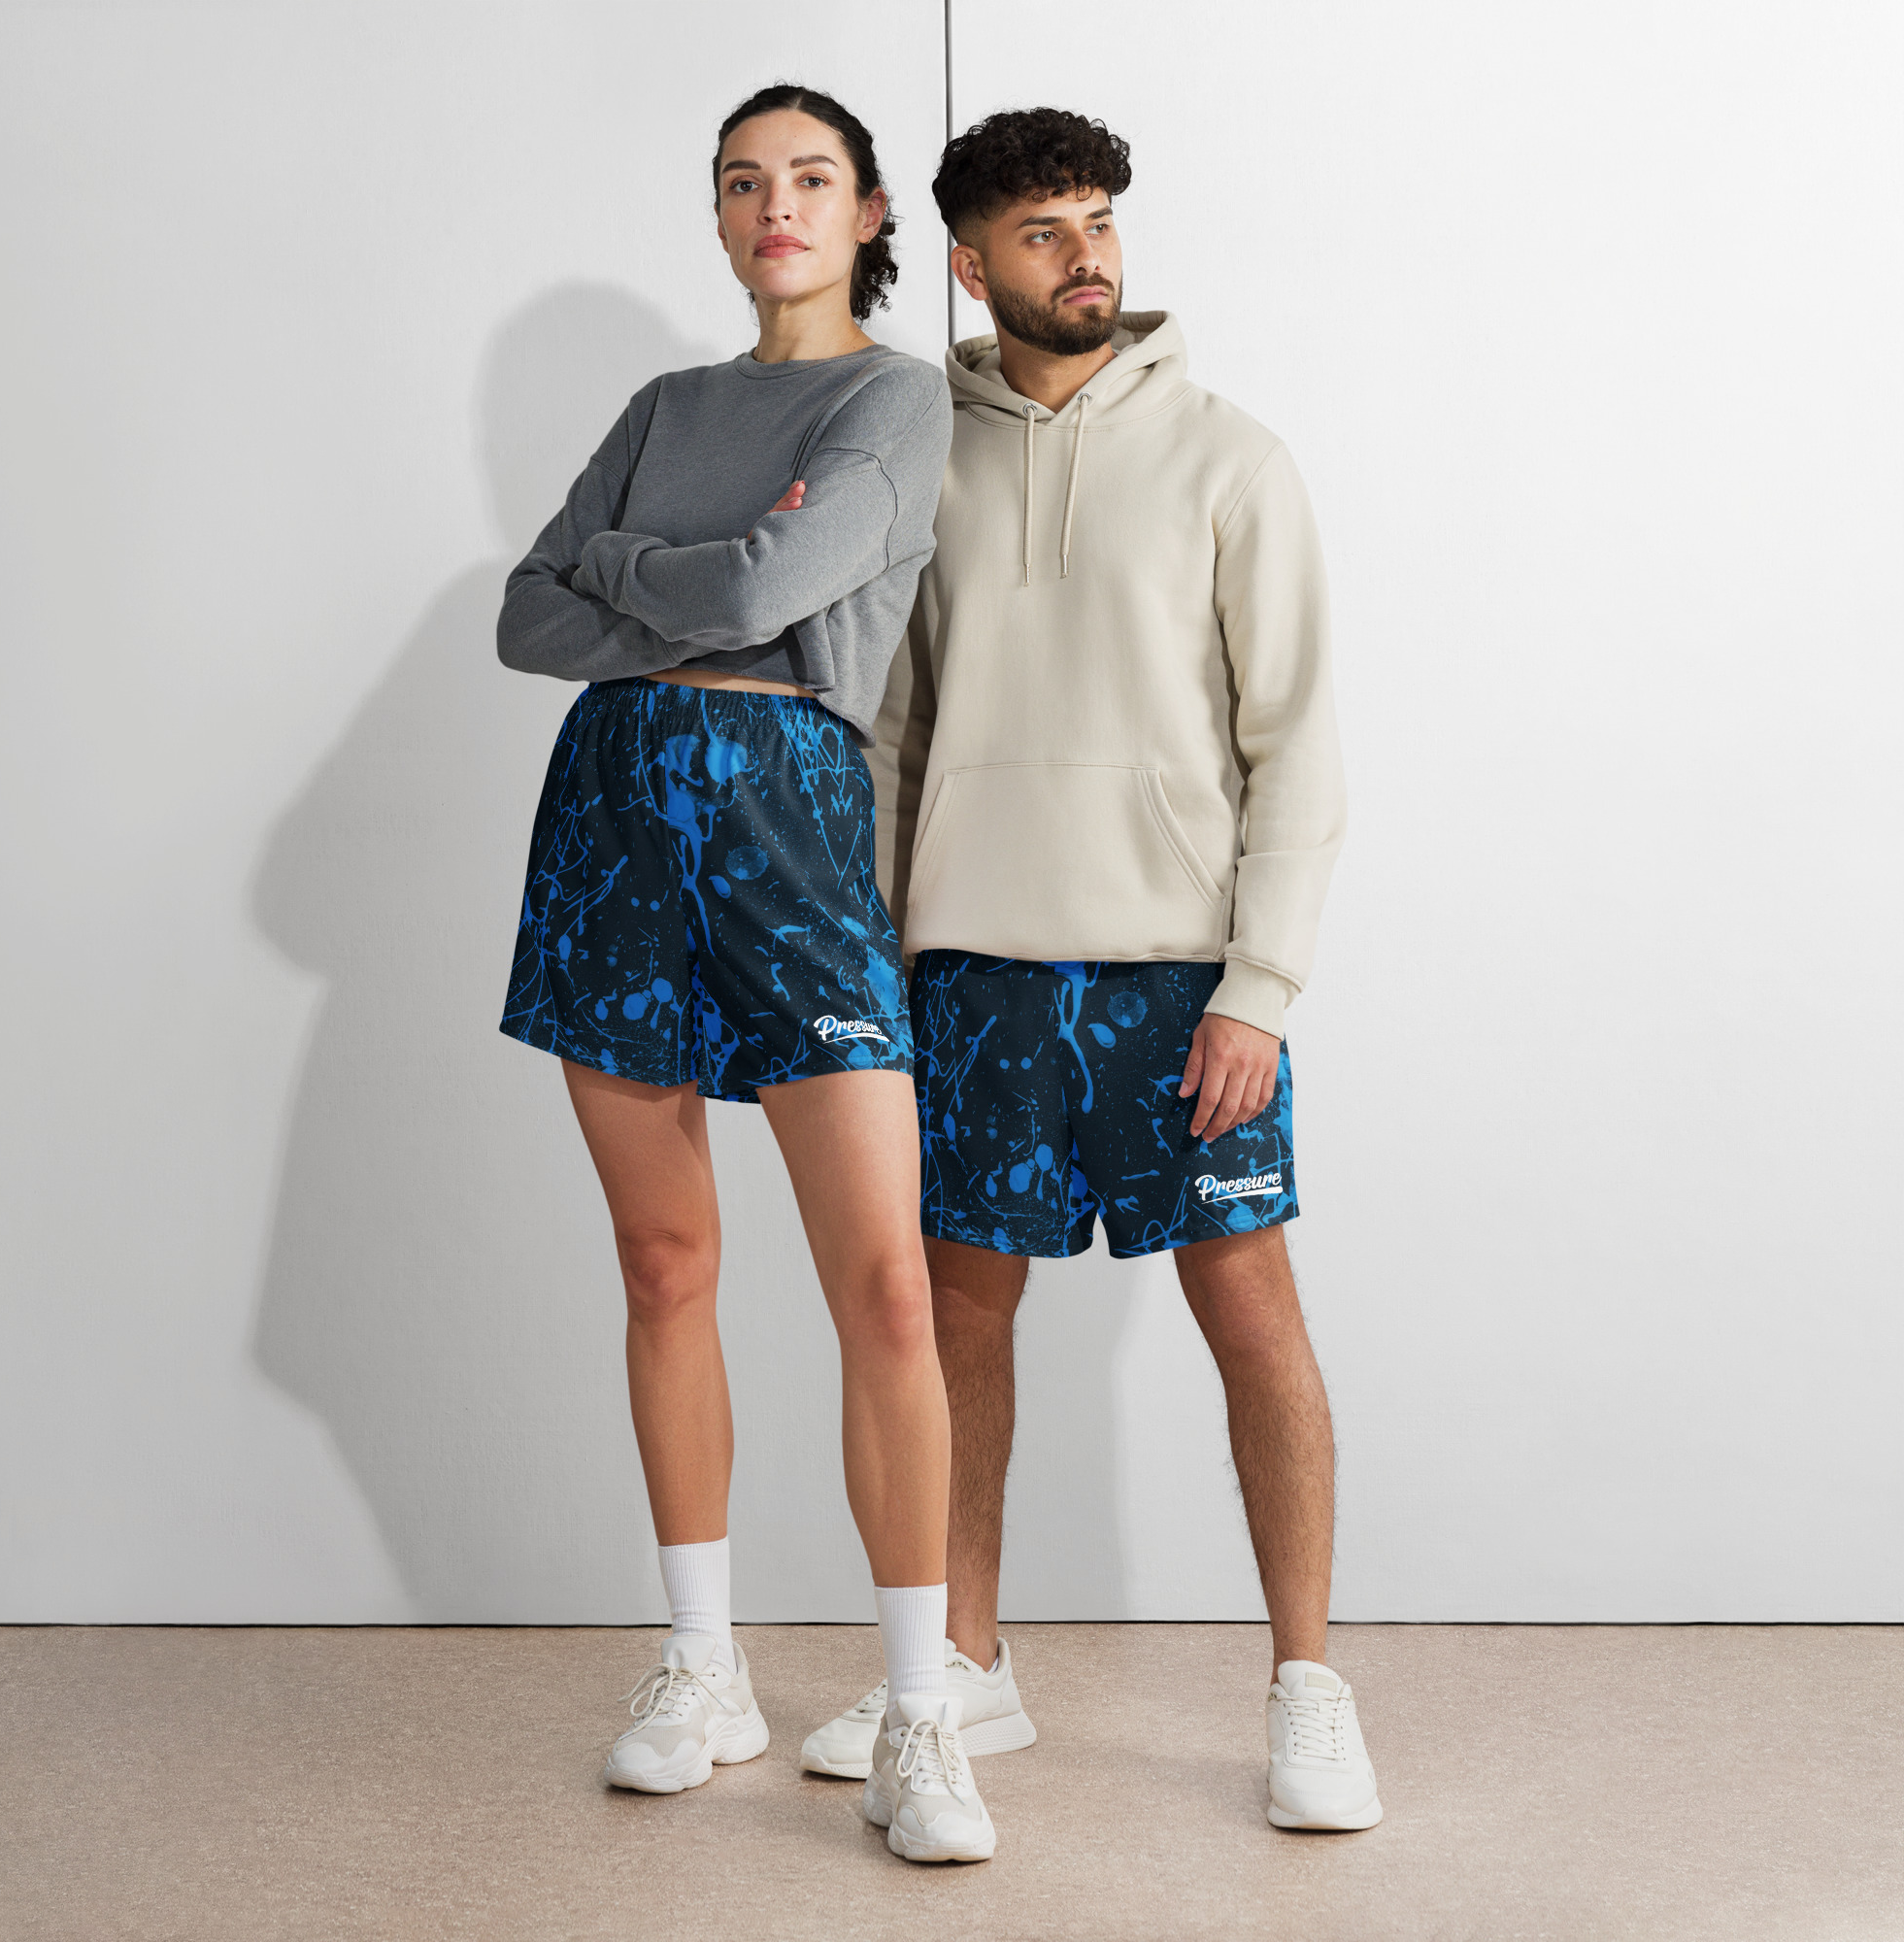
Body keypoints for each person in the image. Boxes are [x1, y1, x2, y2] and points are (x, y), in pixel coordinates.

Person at [802, 107, 1382, 1833]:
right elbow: (889, 739)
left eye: (1101, 221)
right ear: (968, 264)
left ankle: (1307, 1687)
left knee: (1251, 1313)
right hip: (971, 971)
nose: (1089, 257)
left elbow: (1297, 747)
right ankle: (966, 1664)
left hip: (1178, 981)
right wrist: (878, 963)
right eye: (1045, 232)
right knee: (958, 1319)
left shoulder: (1230, 459)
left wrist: (1259, 989)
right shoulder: (922, 458)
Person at [495, 84, 994, 1863]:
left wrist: (629, 572)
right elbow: (523, 613)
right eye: (740, 182)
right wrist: (685, 582)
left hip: (791, 816)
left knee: (886, 1290)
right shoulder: (665, 406)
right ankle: (703, 1667)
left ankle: (922, 1712)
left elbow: (776, 580)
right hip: (614, 817)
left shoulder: (893, 399)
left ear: (868, 215)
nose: (772, 205)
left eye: (808, 179)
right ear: (716, 218)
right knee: (663, 1261)